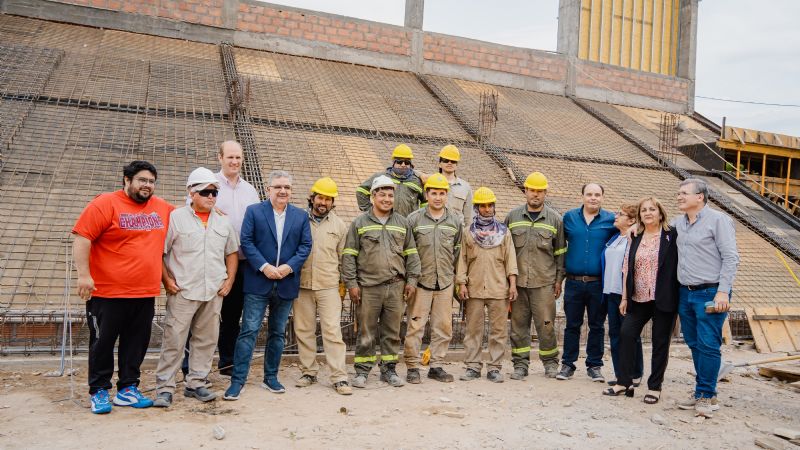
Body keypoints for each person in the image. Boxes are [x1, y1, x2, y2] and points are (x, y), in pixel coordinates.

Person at [72, 160, 174, 414]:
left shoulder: (161, 208)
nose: (147, 186)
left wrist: (214, 211)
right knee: (102, 343)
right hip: (107, 292)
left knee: (136, 343)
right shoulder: (106, 203)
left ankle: (128, 388)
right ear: (127, 181)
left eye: (151, 181)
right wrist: (83, 275)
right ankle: (99, 391)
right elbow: (82, 237)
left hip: (144, 292)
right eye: (141, 180)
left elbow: (189, 215)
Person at [154, 168, 239, 407]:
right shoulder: (176, 218)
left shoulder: (223, 221)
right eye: (205, 192)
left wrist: (229, 280)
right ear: (191, 193)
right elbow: (160, 252)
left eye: (214, 192)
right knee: (174, 340)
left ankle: (196, 383)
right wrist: (167, 280)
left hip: (212, 291)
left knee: (206, 340)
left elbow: (231, 252)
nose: (211, 197)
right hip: (183, 291)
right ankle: (165, 387)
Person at [223, 170, 312, 400]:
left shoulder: (300, 216)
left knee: (277, 332)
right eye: (278, 187)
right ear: (269, 189)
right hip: (258, 281)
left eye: (287, 187)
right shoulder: (254, 211)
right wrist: (264, 266)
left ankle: (270, 377)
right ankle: (238, 381)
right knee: (249, 330)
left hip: (286, 282)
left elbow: (305, 245)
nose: (283, 191)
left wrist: (288, 267)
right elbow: (247, 241)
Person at [342, 175, 421, 388]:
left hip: (396, 286)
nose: (387, 199)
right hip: (368, 287)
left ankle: (389, 370)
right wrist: (351, 284)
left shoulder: (402, 223)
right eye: (382, 194)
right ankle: (362, 371)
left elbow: (412, 254)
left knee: (392, 332)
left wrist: (412, 280)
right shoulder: (359, 222)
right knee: (366, 331)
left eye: (390, 195)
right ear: (373, 196)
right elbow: (349, 255)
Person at [673, 178, 739, 417]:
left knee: (709, 344)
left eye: (684, 193)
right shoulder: (677, 223)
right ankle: (706, 390)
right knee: (693, 342)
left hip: (711, 291)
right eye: (678, 193)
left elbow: (731, 257)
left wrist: (723, 291)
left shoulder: (718, 220)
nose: (679, 197)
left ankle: (705, 395)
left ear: (700, 196)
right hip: (685, 291)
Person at [604, 197, 679, 405]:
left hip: (663, 297)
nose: (648, 213)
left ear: (660, 213)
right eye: (644, 210)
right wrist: (625, 297)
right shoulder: (635, 235)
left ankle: (655, 387)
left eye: (652, 209)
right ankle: (624, 382)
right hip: (638, 297)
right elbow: (627, 266)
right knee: (626, 334)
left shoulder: (671, 235)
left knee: (660, 342)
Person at [293, 177, 352, 395]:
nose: (323, 202)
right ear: (312, 197)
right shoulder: (299, 220)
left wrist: (344, 283)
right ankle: (309, 371)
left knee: (332, 331)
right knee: (304, 330)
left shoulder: (339, 225)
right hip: (302, 285)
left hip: (328, 285)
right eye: (320, 197)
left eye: (328, 199)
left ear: (332, 202)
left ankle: (339, 376)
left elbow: (343, 257)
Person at [505, 172, 566, 380]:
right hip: (518, 283)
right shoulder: (512, 217)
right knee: (518, 327)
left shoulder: (555, 220)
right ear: (525, 191)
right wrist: (508, 281)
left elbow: (560, 254)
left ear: (545, 193)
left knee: (546, 325)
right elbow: (505, 252)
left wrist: (558, 281)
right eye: (532, 190)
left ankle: (550, 363)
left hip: (544, 283)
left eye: (540, 191)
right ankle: (520, 365)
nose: (536, 195)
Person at [404, 173, 463, 384]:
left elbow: (457, 252)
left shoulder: (455, 221)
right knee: (415, 325)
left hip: (445, 281)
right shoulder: (414, 219)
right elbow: (408, 251)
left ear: (447, 195)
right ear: (426, 194)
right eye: (434, 193)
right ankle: (412, 365)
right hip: (421, 281)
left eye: (441, 193)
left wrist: (455, 277)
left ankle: (436, 365)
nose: (437, 197)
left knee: (443, 326)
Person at [456, 187, 518, 383]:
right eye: (483, 206)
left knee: (498, 330)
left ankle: (494, 367)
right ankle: (472, 366)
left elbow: (511, 260)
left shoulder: (504, 233)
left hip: (499, 288)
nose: (487, 209)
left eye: (490, 205)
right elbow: (463, 260)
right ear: (477, 208)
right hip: (474, 288)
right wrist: (462, 283)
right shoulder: (468, 233)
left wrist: (513, 284)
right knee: (473, 330)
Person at [557, 183, 616, 382]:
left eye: (597, 195)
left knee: (597, 325)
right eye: (589, 194)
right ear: (582, 196)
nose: (593, 198)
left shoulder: (611, 220)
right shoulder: (569, 218)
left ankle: (594, 365)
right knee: (572, 325)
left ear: (602, 197)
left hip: (598, 283)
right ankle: (567, 364)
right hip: (573, 283)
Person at [213, 141, 261, 376]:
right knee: (205, 313)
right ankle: (189, 366)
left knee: (232, 314)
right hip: (214, 260)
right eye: (230, 157)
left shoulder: (250, 190)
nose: (234, 162)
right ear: (220, 157)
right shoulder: (208, 185)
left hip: (242, 261)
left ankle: (227, 362)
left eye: (238, 158)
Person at [602, 203, 643, 387]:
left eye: (621, 214)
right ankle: (621, 374)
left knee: (630, 334)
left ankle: (635, 372)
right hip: (611, 292)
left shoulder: (634, 238)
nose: (615, 217)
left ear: (632, 220)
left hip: (625, 293)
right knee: (615, 334)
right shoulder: (614, 238)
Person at [356, 144, 426, 217]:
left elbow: (425, 202)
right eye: (399, 162)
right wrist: (370, 211)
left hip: (408, 225)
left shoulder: (417, 181)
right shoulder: (382, 177)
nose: (403, 165)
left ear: (410, 164)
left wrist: (420, 218)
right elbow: (361, 190)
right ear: (393, 162)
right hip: (385, 223)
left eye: (407, 162)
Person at [436, 145, 473, 224]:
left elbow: (468, 217)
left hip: (457, 231)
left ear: (456, 165)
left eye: (453, 161)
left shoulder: (465, 187)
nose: (449, 163)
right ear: (440, 164)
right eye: (446, 160)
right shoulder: (432, 182)